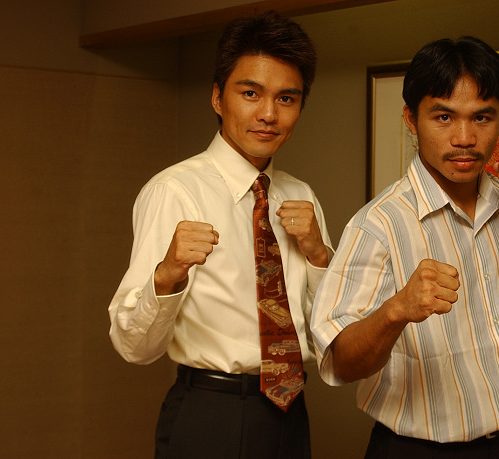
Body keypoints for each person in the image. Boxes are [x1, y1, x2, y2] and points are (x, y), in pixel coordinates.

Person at [311, 36, 499, 458]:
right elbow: (341, 364)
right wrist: (396, 310)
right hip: (413, 451)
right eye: (444, 117)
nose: (465, 137)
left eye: (482, 117)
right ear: (411, 119)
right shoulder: (378, 225)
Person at [108, 11, 332, 458]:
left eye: (286, 98)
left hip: (291, 412)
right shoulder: (175, 191)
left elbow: (330, 329)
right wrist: (167, 274)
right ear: (217, 97)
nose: (268, 114)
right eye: (250, 93)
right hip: (212, 413)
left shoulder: (300, 195)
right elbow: (134, 347)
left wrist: (319, 256)